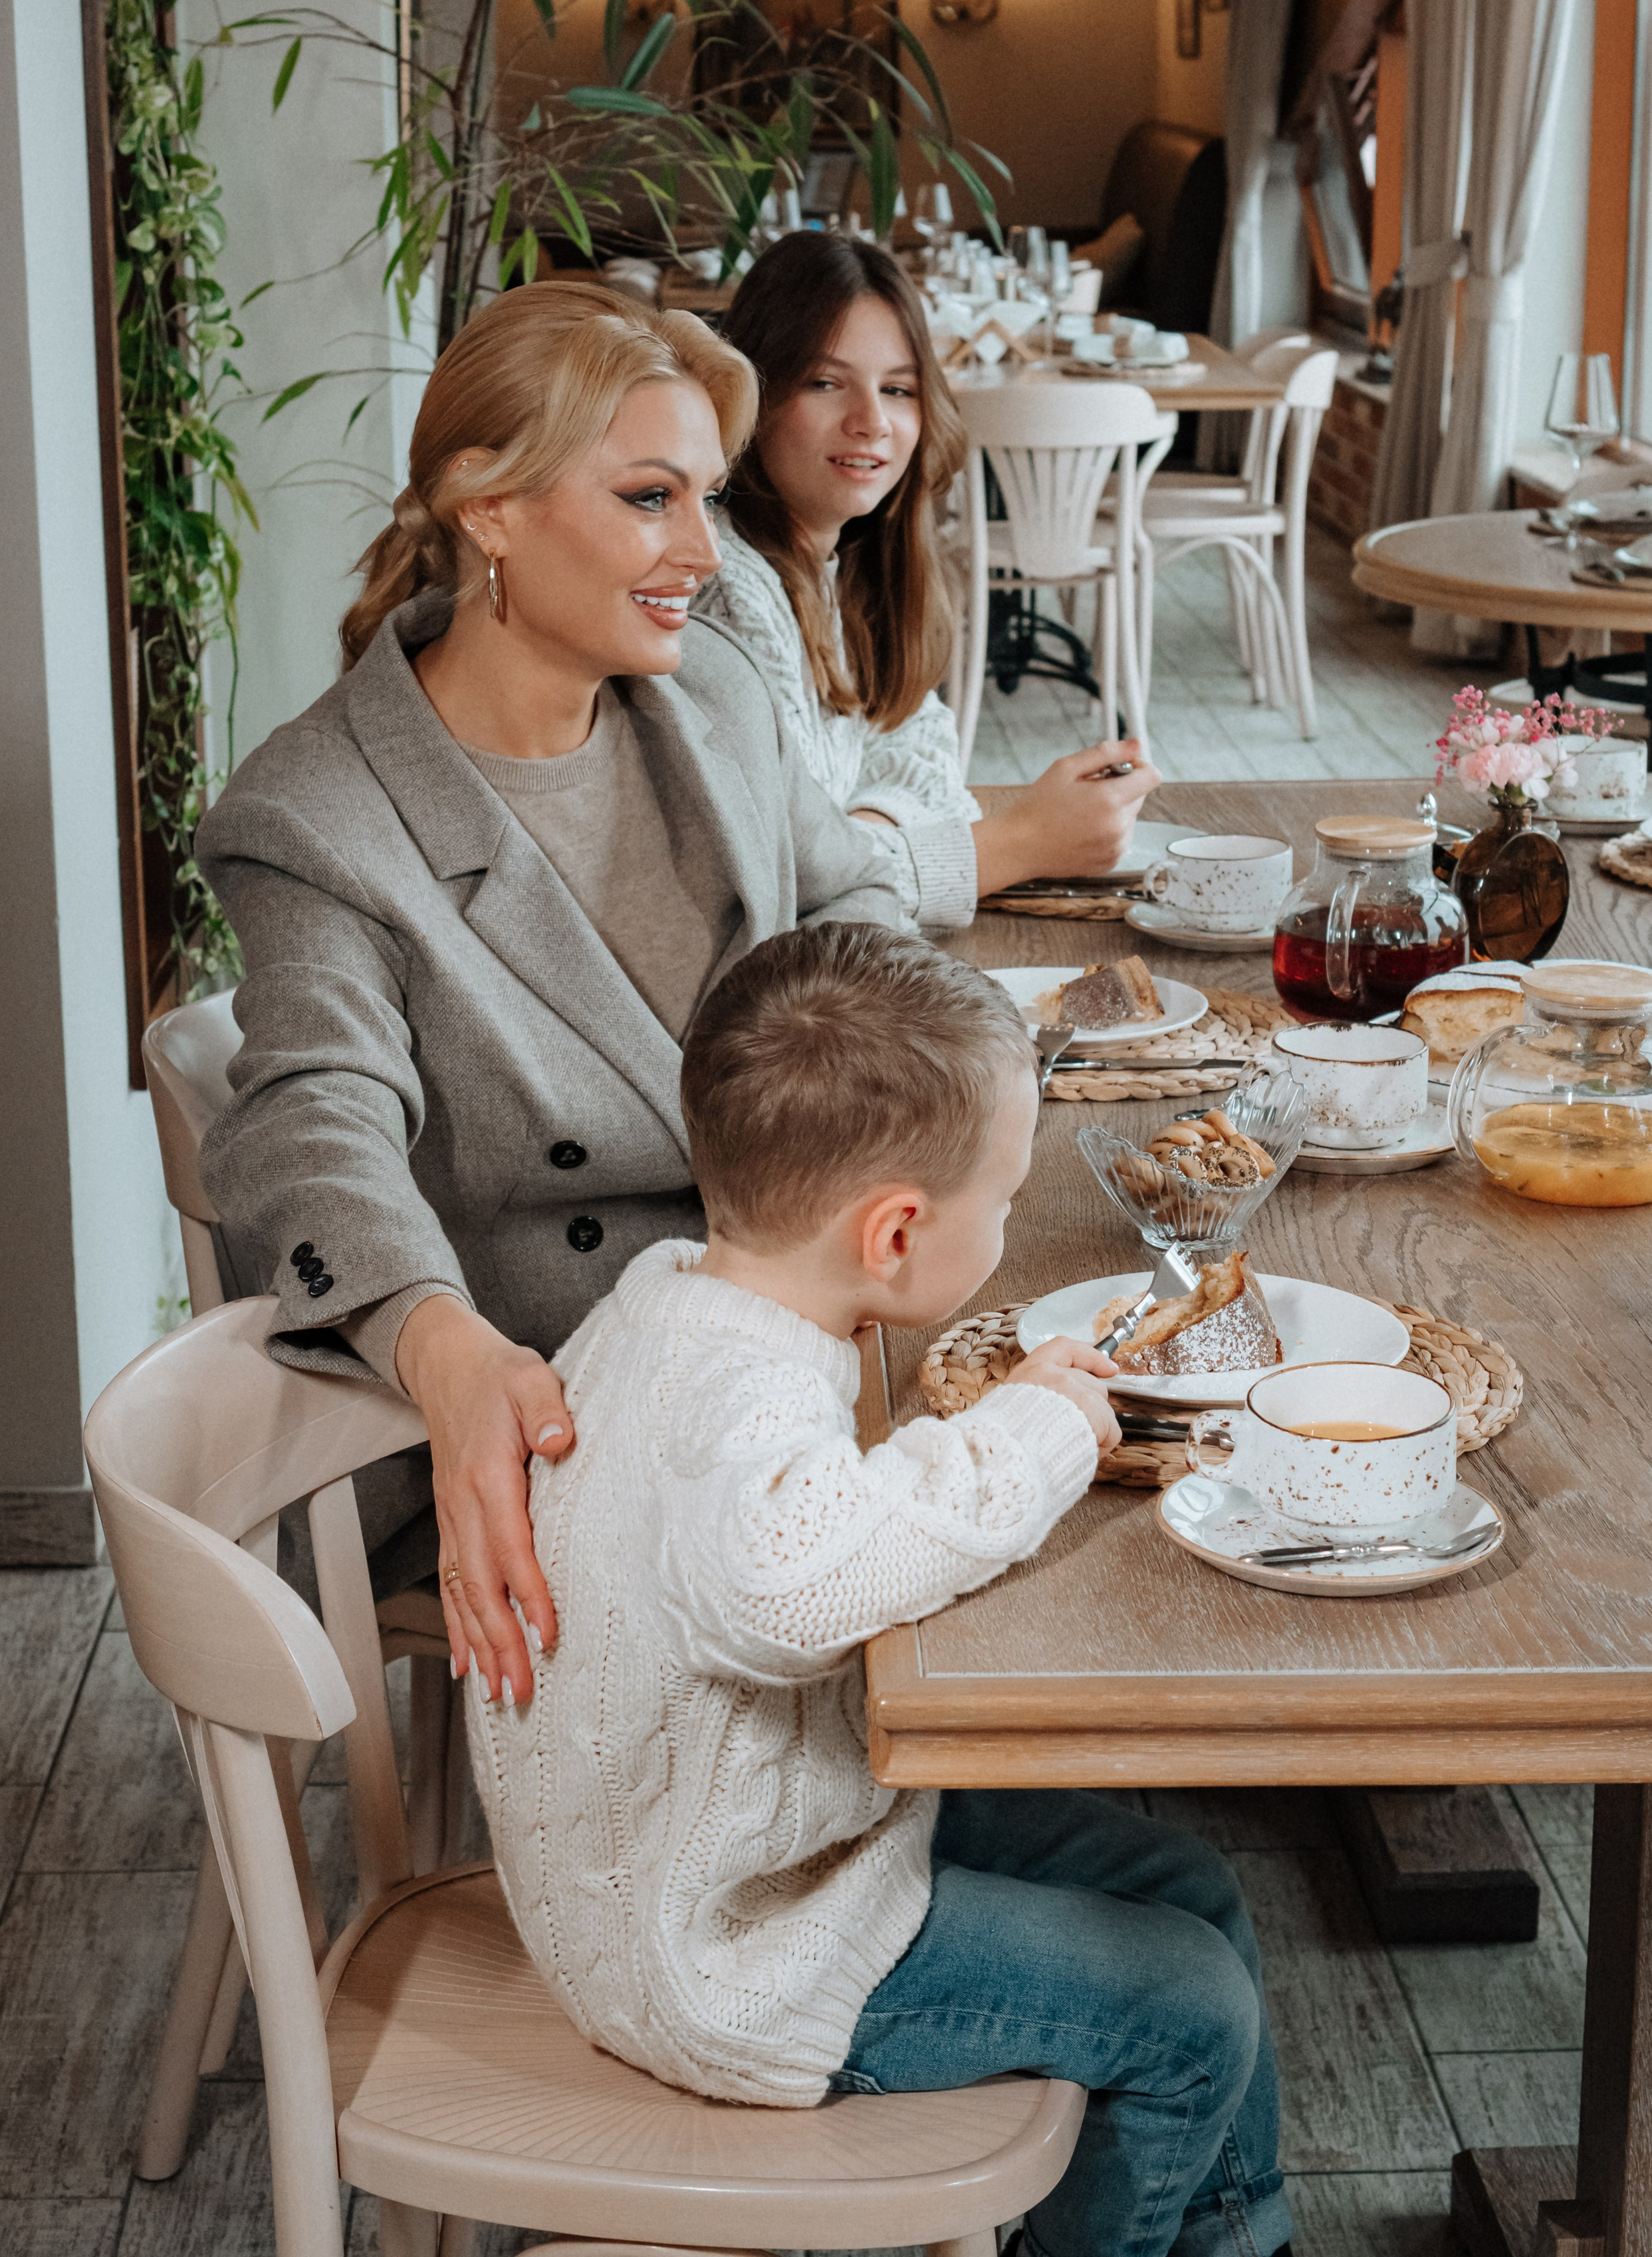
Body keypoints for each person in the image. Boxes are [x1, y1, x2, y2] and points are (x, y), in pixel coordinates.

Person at [465, 923, 1291, 2257]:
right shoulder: (735, 1401)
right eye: (1005, 1201)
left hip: (751, 1844)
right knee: (1190, 2010)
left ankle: (1236, 2238)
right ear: (894, 1233)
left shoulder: (677, 1297)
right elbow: (787, 1585)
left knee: (1189, 1888)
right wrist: (1029, 1433)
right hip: (725, 1953)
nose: (1010, 1222)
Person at [195, 283, 907, 1706]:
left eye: (706, 496)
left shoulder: (711, 694)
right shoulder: (317, 813)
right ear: (488, 507)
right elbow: (310, 1120)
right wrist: (441, 1346)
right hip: (558, 1412)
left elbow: (852, 904)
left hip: (793, 1334)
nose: (703, 552)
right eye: (651, 497)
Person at [696, 229, 1161, 928]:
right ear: (752, 396)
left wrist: (862, 838)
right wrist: (1023, 841)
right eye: (825, 383)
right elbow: (784, 900)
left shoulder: (844, 568)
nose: (872, 422)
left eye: (898, 389)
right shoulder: (727, 595)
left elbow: (921, 748)